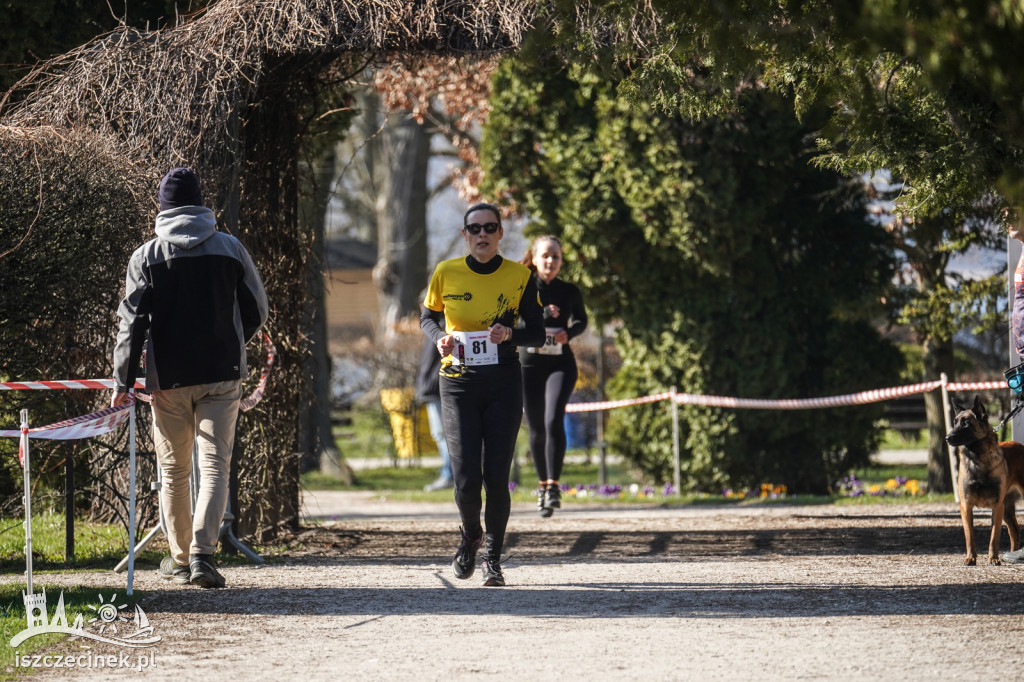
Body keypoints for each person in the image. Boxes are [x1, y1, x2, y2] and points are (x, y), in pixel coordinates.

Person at [111, 167, 268, 588]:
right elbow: (258, 310)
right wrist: (233, 341)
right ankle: (204, 555)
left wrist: (123, 381)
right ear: (201, 203)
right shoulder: (231, 248)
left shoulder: (146, 256)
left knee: (175, 471)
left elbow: (131, 324)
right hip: (222, 374)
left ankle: (180, 560)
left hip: (168, 380)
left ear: (161, 208)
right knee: (215, 467)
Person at [420, 202, 544, 586]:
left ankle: (492, 557)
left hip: (503, 382)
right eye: (475, 229)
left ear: (500, 234)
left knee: (496, 475)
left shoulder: (520, 276)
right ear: (465, 234)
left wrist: (509, 334)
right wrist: (440, 338)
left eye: (490, 228)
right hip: (457, 383)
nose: (482, 235)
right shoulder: (447, 272)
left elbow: (538, 333)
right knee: (465, 478)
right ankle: (470, 532)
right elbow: (427, 316)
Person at [519, 236, 588, 517]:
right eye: (545, 256)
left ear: (561, 261)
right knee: (536, 427)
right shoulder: (522, 287)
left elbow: (582, 320)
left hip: (560, 363)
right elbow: (511, 319)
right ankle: (542, 485)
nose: (550, 261)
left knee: (553, 419)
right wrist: (538, 318)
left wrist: (567, 333)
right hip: (529, 365)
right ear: (534, 259)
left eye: (556, 257)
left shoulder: (569, 291)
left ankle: (554, 486)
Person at [416, 328, 454, 491]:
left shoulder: (439, 329)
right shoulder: (433, 328)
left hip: (437, 389)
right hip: (432, 389)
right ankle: (451, 474)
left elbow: (436, 362)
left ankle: (449, 475)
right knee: (442, 434)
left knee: (442, 434)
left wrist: (427, 384)